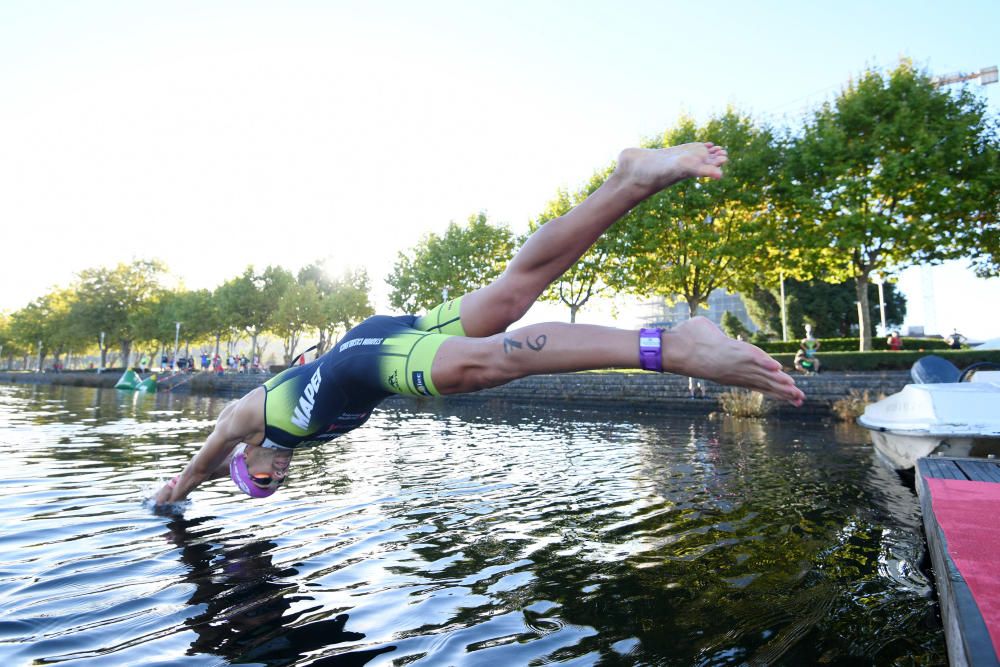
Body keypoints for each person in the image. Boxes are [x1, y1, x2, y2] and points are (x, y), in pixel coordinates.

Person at [154, 143, 805, 506]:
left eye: (259, 476)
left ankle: (673, 346)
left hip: (366, 359)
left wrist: (172, 495)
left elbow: (197, 466)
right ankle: (630, 180)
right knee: (512, 293)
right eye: (271, 485)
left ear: (246, 457)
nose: (273, 477)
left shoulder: (246, 418)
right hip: (378, 337)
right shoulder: (286, 445)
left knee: (486, 362)